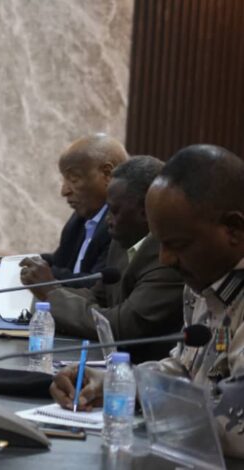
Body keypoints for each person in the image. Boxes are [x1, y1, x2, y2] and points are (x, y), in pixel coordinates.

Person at [50, 144, 244, 458]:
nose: (165, 259)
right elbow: (184, 369)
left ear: (233, 229)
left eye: (177, 244)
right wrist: (115, 382)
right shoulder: (202, 281)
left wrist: (141, 397)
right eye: (160, 243)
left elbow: (231, 426)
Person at [19, 156, 184, 363]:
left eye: (114, 211)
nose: (107, 220)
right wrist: (44, 292)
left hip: (144, 372)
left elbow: (119, 327)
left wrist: (51, 293)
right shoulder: (123, 242)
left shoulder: (166, 259)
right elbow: (97, 297)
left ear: (146, 211)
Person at [0, 134, 128, 285]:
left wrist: (19, 267)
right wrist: (11, 263)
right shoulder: (80, 219)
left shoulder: (122, 225)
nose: (64, 191)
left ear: (107, 174)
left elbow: (95, 285)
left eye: (74, 179)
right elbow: (58, 264)